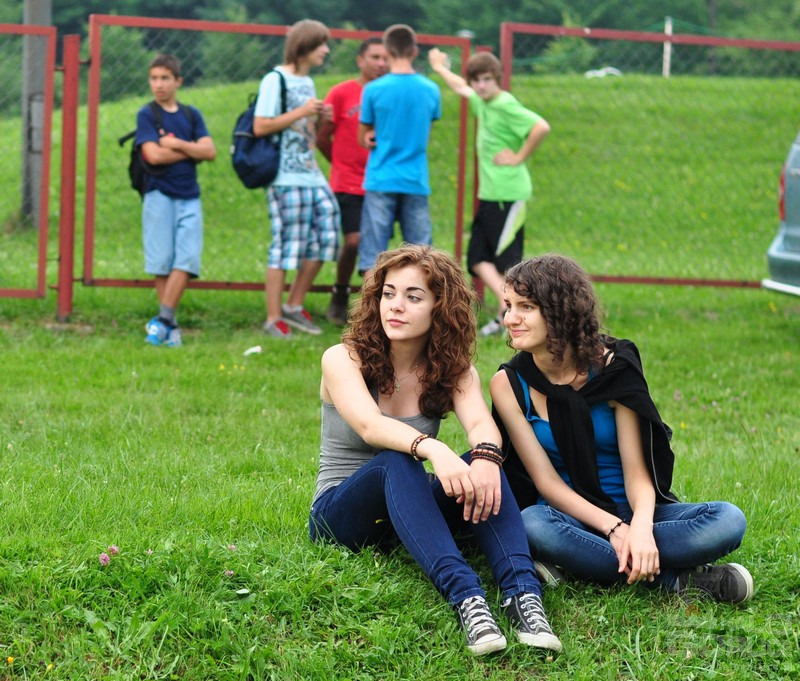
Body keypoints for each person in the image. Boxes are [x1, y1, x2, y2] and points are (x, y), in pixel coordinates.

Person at [309, 244, 562, 656]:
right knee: (397, 460)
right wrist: (432, 448)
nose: (395, 306)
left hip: (409, 509)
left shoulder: (452, 369)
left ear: (439, 308)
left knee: (482, 463)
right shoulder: (343, 358)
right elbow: (370, 426)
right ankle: (468, 599)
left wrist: (485, 457)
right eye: (388, 294)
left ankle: (523, 595)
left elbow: (481, 425)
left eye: (413, 297)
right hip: (339, 516)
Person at [490, 255, 753, 603]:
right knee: (533, 525)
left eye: (526, 307)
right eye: (509, 305)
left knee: (729, 520)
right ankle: (673, 580)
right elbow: (547, 483)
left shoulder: (612, 367)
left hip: (635, 509)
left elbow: (637, 472)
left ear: (560, 311)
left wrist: (639, 529)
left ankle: (584, 564)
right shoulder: (508, 384)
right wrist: (613, 529)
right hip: (566, 520)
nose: (510, 318)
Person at [428, 49, 550, 337]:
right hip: (490, 194)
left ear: (497, 78)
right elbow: (461, 87)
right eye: (477, 80)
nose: (481, 86)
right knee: (477, 259)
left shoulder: (504, 103)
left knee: (509, 264)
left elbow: (541, 126)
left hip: (508, 194)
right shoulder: (482, 102)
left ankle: (518, 315)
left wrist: (519, 157)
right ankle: (506, 310)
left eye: (487, 79)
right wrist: (440, 68)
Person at [254, 19, 340, 339]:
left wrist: (321, 120)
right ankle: (273, 317)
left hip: (311, 173)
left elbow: (306, 133)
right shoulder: (275, 79)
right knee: (285, 246)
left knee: (327, 238)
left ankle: (293, 305)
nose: (326, 50)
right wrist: (302, 112)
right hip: (285, 176)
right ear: (305, 45)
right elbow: (261, 126)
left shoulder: (308, 82)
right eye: (321, 44)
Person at [136, 53, 216, 347]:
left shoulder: (191, 115)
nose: (159, 84)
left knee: (188, 258)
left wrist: (176, 144)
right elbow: (153, 155)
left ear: (178, 81)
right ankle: (170, 327)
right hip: (158, 194)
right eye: (154, 78)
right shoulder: (147, 114)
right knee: (162, 261)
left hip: (189, 195)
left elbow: (210, 151)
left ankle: (163, 321)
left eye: (165, 78)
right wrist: (191, 150)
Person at [357, 25, 441, 275]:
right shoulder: (431, 89)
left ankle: (372, 299)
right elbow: (426, 131)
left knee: (373, 257)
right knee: (422, 257)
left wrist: (371, 136)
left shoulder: (373, 89)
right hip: (415, 178)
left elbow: (363, 137)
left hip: (381, 176)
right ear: (415, 51)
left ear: (388, 51)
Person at [316, 38, 389, 325]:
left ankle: (372, 306)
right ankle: (341, 290)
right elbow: (322, 136)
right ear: (360, 60)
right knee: (354, 240)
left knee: (379, 247)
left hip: (382, 180)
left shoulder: (390, 93)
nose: (380, 63)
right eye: (374, 57)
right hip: (348, 181)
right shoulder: (342, 93)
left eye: (385, 57)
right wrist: (339, 163)